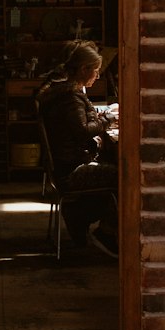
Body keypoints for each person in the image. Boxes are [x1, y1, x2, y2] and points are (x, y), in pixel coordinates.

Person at [36, 42, 118, 258]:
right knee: (125, 176)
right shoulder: (70, 97)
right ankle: (106, 233)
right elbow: (82, 131)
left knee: (113, 168)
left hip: (64, 165)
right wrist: (108, 120)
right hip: (72, 170)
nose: (97, 76)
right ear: (83, 69)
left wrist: (97, 119)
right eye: (95, 70)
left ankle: (80, 213)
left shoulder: (61, 92)